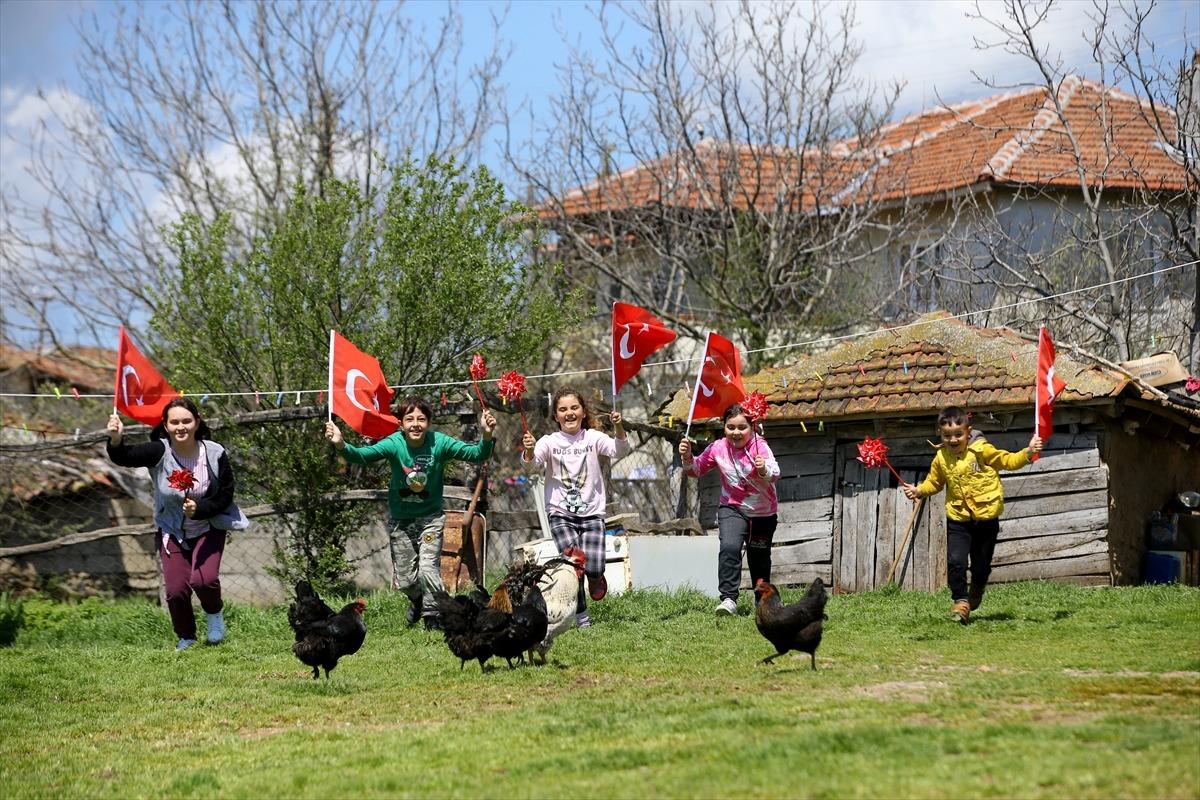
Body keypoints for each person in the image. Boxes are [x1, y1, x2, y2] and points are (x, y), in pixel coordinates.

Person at [325, 397, 495, 630]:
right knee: (405, 580)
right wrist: (341, 444)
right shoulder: (395, 443)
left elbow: (476, 454)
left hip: (431, 519)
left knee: (428, 569)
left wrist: (486, 435)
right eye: (410, 419)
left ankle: (434, 617)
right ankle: (417, 599)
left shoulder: (440, 443)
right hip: (401, 520)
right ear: (401, 423)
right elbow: (363, 456)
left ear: (429, 423)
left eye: (422, 419)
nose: (416, 424)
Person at [106, 398, 245, 651]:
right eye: (175, 422)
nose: (181, 427)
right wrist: (116, 439)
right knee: (176, 590)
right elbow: (125, 457)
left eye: (186, 421)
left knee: (204, 580)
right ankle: (187, 637)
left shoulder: (214, 452)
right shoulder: (159, 452)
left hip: (208, 526)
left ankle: (214, 617)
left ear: (197, 423)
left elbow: (226, 494)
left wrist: (200, 509)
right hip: (172, 530)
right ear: (166, 426)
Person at [903, 406, 1043, 624]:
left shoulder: (982, 451)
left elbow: (1008, 461)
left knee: (981, 565)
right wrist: (919, 490)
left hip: (986, 519)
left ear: (968, 432)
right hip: (958, 519)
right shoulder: (941, 458)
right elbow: (935, 482)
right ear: (940, 434)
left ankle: (976, 591)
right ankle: (960, 601)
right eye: (947, 435)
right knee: (955, 562)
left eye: (958, 434)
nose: (953, 439)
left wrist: (1028, 452)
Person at [521, 388, 629, 628]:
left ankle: (596, 575)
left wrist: (619, 428)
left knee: (593, 566)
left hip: (592, 513)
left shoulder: (592, 438)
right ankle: (582, 617)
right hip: (561, 514)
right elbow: (532, 466)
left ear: (582, 412)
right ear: (556, 416)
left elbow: (619, 450)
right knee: (573, 567)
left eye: (574, 408)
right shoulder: (549, 442)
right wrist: (529, 450)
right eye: (562, 409)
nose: (569, 413)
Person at [679, 403, 780, 616]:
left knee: (759, 558)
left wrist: (763, 469)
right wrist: (687, 456)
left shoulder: (759, 446)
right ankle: (728, 599)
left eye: (742, 427)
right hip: (732, 508)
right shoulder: (718, 448)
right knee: (730, 548)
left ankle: (763, 602)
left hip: (763, 513)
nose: (736, 432)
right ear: (723, 427)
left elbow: (775, 473)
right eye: (730, 427)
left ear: (752, 427)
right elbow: (695, 470)